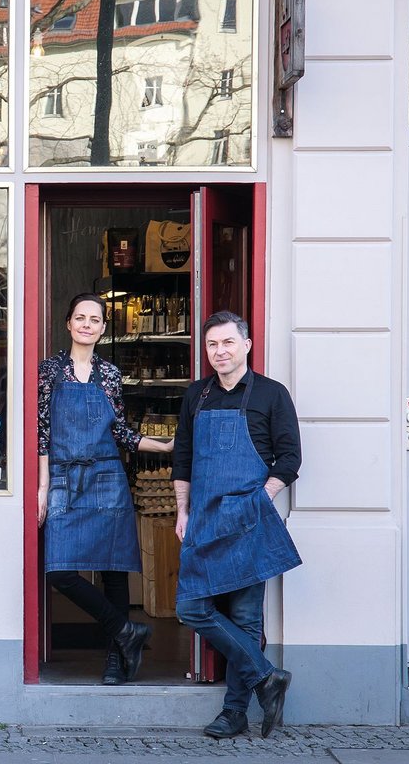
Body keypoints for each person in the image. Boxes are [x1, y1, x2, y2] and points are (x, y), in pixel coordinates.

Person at [172, 310, 302, 739]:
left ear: (246, 344)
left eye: (228, 342)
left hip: (248, 521)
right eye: (212, 344)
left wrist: (260, 500)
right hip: (205, 519)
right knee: (191, 608)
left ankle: (233, 713)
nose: (220, 351)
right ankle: (268, 676)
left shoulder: (271, 394)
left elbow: (289, 459)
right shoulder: (197, 395)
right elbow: (183, 458)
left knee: (246, 619)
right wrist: (182, 511)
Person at [37, 293, 173, 685]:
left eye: (94, 319)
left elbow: (119, 432)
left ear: (102, 327)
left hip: (107, 476)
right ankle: (126, 629)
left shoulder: (110, 374)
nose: (86, 325)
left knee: (113, 570)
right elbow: (41, 430)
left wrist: (162, 446)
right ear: (68, 323)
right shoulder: (49, 371)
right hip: (63, 476)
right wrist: (43, 487)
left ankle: (117, 658)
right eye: (79, 317)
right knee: (59, 571)